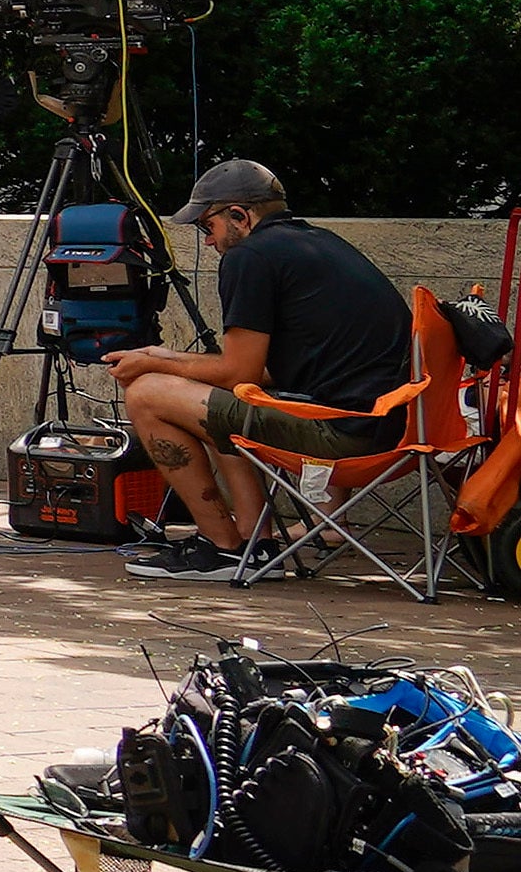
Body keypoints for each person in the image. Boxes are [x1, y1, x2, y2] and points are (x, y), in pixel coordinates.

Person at [108, 158, 417, 581]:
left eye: (208, 227)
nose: (210, 242)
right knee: (210, 402)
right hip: (393, 429)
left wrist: (152, 364)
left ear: (240, 215)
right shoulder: (319, 244)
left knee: (146, 393)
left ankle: (222, 547)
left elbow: (239, 373)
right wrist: (163, 358)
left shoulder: (250, 257)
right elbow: (263, 374)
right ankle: (253, 540)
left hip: (345, 436)